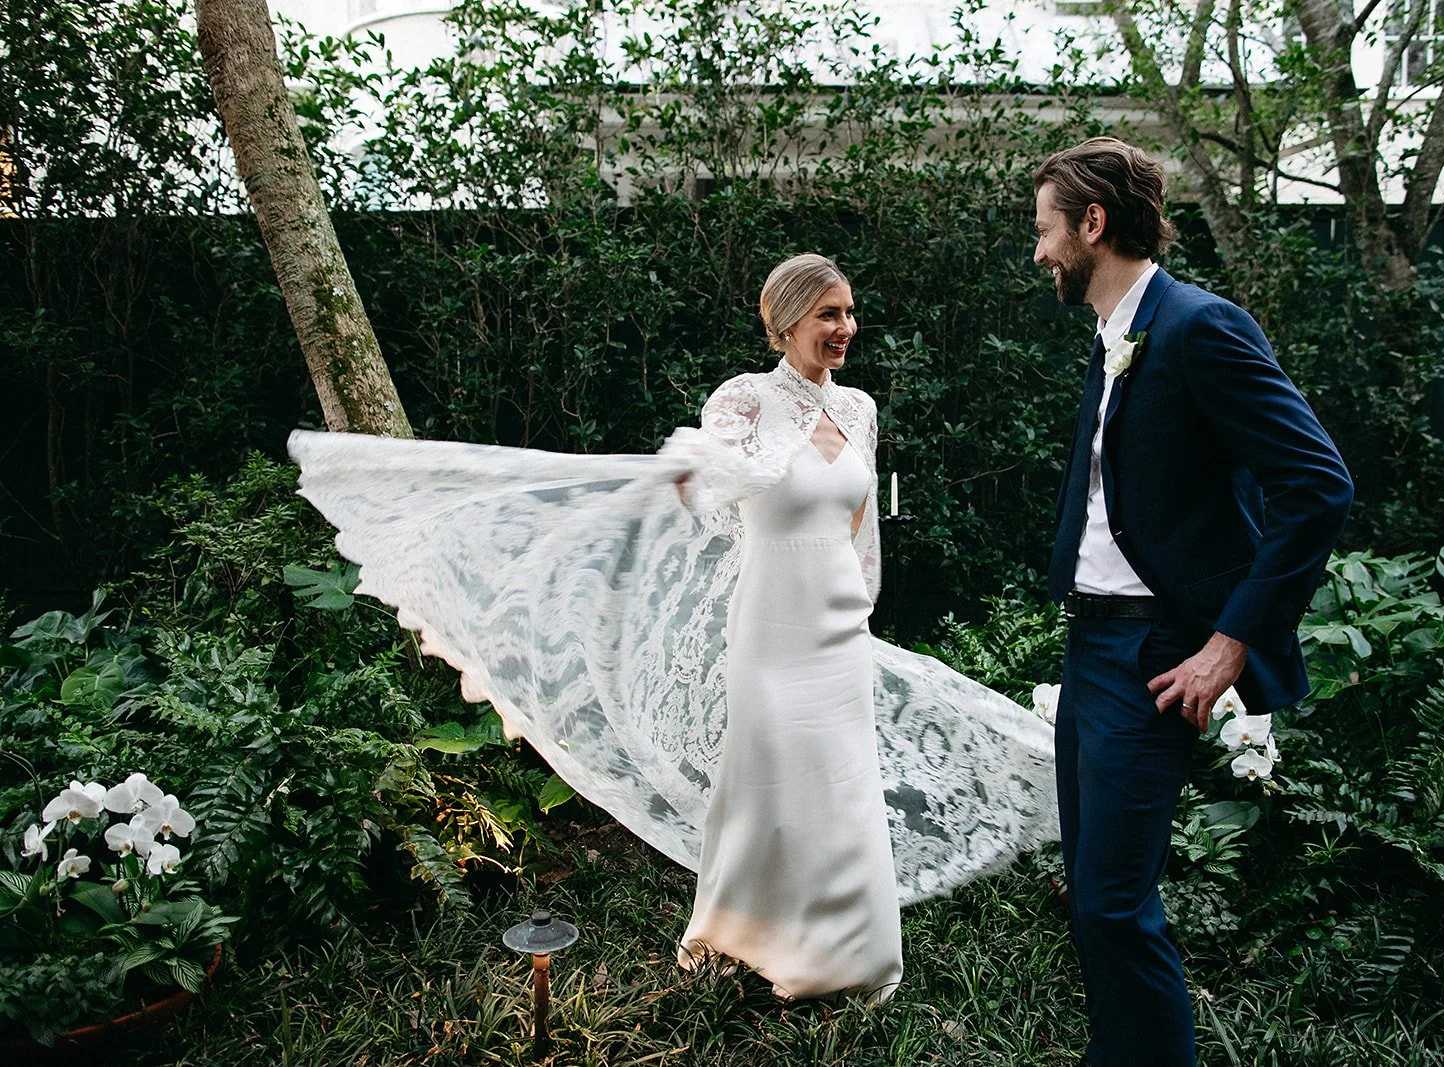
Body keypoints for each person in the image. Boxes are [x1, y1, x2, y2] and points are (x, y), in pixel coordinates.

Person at [288, 253, 1059, 1006]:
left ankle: (853, 951)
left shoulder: (859, 409)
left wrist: (860, 600)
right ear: (787, 320)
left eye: (850, 312)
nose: (846, 327)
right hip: (770, 619)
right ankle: (741, 932)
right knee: (764, 780)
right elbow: (712, 497)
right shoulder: (745, 400)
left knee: (843, 779)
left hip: (836, 620)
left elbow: (858, 525)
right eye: (830, 313)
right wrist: (701, 463)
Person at [1032, 139, 1353, 1065]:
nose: (1040, 253)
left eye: (1045, 230)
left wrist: (1229, 645)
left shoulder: (1199, 327)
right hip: (1087, 648)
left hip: (1154, 656)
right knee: (1093, 897)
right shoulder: (1113, 338)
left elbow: (1318, 485)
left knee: (1115, 901)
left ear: (1094, 225)